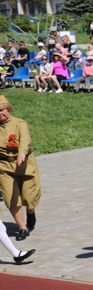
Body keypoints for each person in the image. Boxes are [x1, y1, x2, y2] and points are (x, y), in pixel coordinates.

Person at [0, 98, 41, 241]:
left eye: (1, 110)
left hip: (24, 165)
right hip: (4, 166)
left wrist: (22, 153)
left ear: (8, 109)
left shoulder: (19, 123)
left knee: (29, 197)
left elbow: (25, 139)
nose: (0, 114)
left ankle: (31, 211)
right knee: (11, 197)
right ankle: (22, 227)